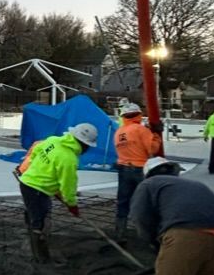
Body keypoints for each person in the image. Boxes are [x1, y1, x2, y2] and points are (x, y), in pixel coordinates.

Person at [18, 122, 98, 262]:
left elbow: (36, 150)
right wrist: (71, 204)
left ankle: (33, 234)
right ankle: (41, 257)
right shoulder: (69, 159)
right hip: (37, 188)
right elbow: (68, 186)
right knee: (41, 221)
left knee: (34, 211)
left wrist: (35, 168)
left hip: (27, 183)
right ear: (85, 145)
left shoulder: (53, 140)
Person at [113, 102, 163, 241]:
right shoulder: (140, 130)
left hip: (123, 168)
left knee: (123, 201)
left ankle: (119, 233)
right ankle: (149, 234)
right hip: (140, 168)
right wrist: (156, 135)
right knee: (146, 200)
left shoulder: (119, 132)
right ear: (139, 115)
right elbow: (152, 149)